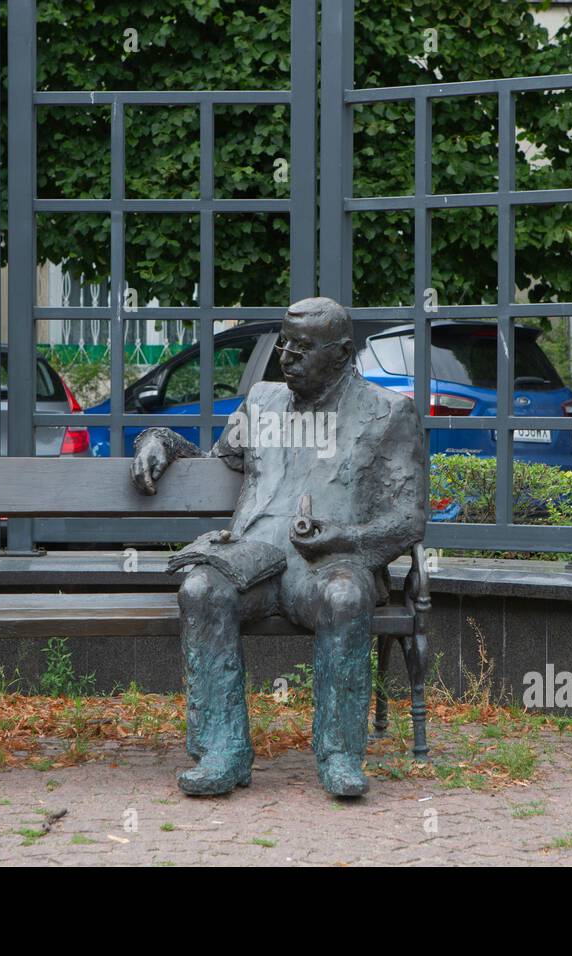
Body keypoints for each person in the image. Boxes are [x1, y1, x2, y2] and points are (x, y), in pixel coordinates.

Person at [132, 297, 427, 797]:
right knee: (202, 588)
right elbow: (216, 457)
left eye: (303, 347)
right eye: (285, 342)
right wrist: (158, 438)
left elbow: (408, 519)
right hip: (256, 557)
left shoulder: (387, 412)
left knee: (346, 599)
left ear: (342, 353)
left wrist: (347, 539)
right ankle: (223, 751)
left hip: (330, 562)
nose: (286, 355)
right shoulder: (262, 402)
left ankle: (338, 755)